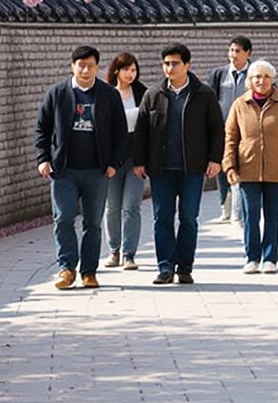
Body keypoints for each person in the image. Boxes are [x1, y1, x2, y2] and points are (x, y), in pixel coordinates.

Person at [33, 44, 128, 289]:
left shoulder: (108, 95)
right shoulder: (57, 93)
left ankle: (89, 271)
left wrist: (114, 163)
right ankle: (66, 268)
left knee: (93, 223)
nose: (85, 71)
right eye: (81, 65)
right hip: (64, 171)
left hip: (97, 171)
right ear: (72, 66)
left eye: (90, 66)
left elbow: (120, 133)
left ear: (97, 67)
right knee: (63, 218)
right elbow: (42, 129)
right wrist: (43, 159)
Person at [132, 42, 224, 285]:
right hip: (161, 169)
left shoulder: (203, 94)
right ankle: (165, 268)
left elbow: (217, 129)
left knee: (189, 217)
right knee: (162, 217)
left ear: (187, 65)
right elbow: (141, 131)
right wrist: (139, 161)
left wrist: (215, 159)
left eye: (175, 63)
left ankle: (184, 267)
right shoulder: (153, 94)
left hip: (192, 168)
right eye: (166, 63)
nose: (169, 68)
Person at [221, 59, 278, 274]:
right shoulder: (240, 105)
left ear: (272, 80)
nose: (261, 81)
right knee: (251, 214)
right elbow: (230, 136)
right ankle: (252, 257)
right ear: (249, 80)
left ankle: (270, 258)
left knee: (272, 215)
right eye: (257, 76)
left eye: (266, 77)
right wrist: (229, 165)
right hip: (247, 169)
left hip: (277, 168)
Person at [99, 53, 148, 272]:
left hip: (136, 158)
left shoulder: (142, 93)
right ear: (116, 71)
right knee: (112, 207)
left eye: (133, 70)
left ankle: (129, 254)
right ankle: (114, 250)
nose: (130, 74)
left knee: (132, 207)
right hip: (112, 160)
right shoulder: (106, 94)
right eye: (126, 69)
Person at [204, 35, 254, 224]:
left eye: (238, 51)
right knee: (223, 168)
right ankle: (225, 206)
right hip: (222, 129)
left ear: (248, 53)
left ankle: (238, 211)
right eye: (231, 50)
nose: (233, 54)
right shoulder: (219, 74)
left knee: (242, 168)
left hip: (246, 131)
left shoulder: (255, 74)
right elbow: (210, 101)